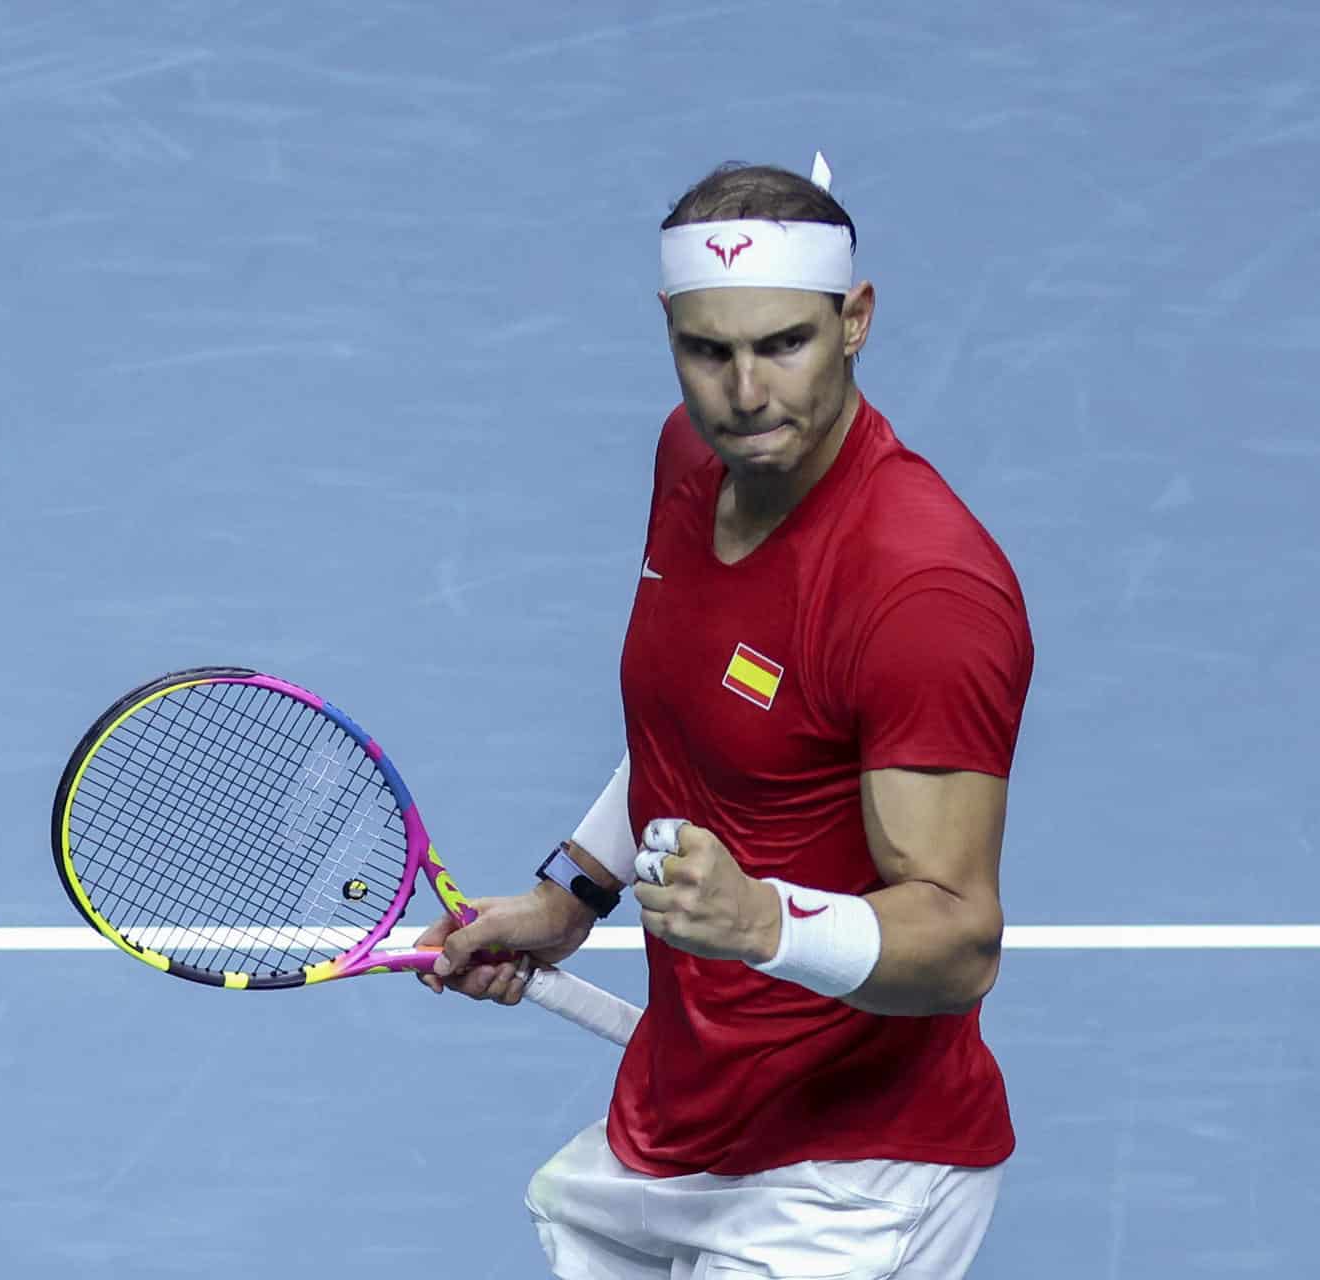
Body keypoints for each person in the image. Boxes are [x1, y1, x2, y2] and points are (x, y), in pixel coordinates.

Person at [417, 153, 1033, 1280]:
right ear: (670, 330)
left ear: (854, 319)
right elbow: (695, 726)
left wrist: (764, 925)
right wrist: (572, 894)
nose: (746, 392)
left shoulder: (921, 593)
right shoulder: (690, 458)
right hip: (683, 1121)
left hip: (849, 1174)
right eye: (710, 351)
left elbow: (960, 940)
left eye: (783, 344)